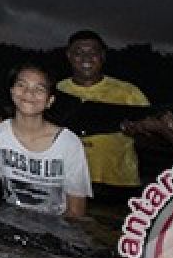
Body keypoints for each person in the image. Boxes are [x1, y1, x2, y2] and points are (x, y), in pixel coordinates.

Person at [0, 63, 92, 218]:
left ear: (50, 101)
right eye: (22, 85)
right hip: (11, 220)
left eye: (39, 89)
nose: (29, 92)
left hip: (55, 227)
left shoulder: (69, 144)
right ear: (12, 92)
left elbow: (76, 211)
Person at [56, 30, 149, 194]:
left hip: (118, 183)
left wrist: (137, 133)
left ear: (103, 56)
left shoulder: (129, 92)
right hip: (67, 182)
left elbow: (151, 138)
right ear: (69, 55)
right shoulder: (55, 91)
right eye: (79, 53)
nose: (86, 58)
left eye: (93, 52)